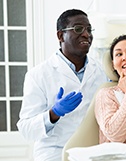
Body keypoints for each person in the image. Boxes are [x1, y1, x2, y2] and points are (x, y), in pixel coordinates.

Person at [16, 9, 108, 161]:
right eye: (78, 29)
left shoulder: (100, 71)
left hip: (92, 151)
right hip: (54, 153)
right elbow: (26, 130)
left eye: (89, 29)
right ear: (60, 35)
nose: (86, 34)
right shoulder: (38, 75)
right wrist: (54, 113)